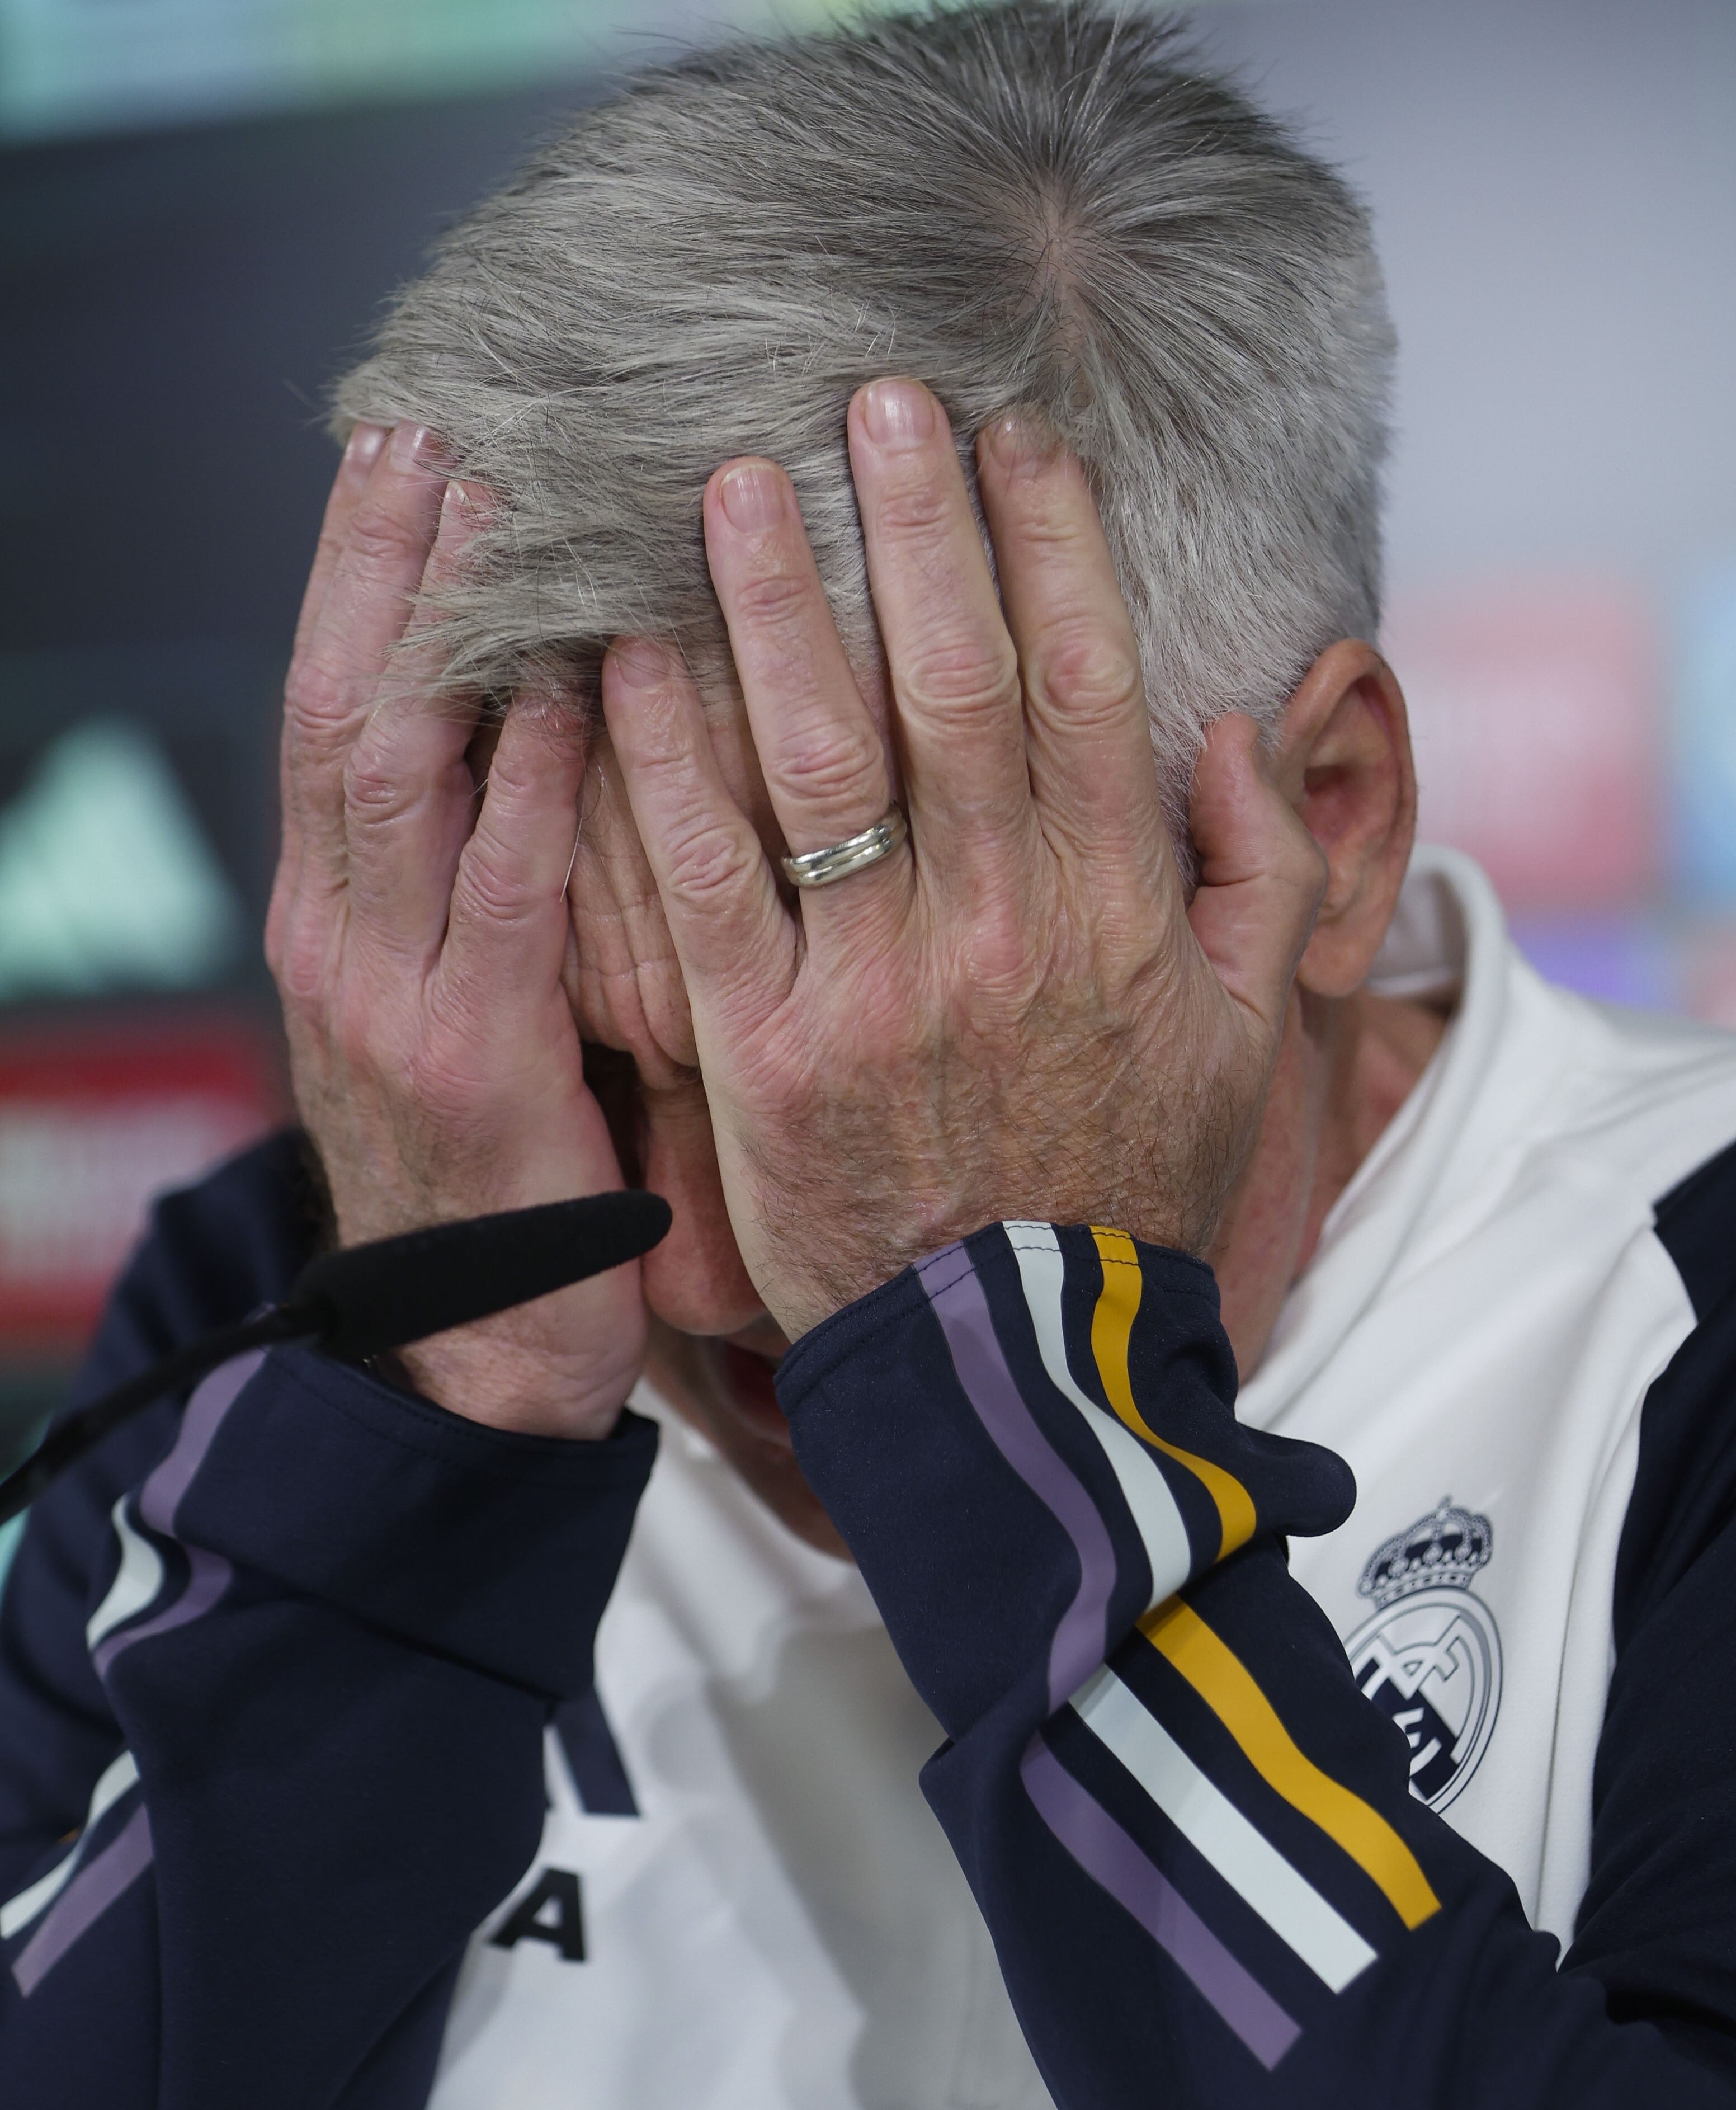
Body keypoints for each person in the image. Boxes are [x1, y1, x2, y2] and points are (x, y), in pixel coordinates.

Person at [4, 5, 1736, 2105]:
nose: (721, 1280)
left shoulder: (1690, 1303)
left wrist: (1011, 1400)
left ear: (1335, 821)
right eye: (605, 1060)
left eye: (884, 1036)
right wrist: (429, 1449)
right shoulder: (329, 1295)